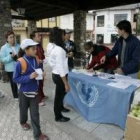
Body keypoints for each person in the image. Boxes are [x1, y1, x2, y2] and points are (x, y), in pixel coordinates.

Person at [13, 39, 49, 140]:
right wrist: (29, 77)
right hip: (23, 92)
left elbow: (40, 70)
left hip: (35, 92)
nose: (35, 50)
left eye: (36, 48)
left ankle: (37, 134)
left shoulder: (36, 59)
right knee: (23, 110)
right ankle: (23, 122)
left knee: (35, 114)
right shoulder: (20, 62)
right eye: (33, 48)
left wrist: (42, 73)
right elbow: (15, 79)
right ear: (26, 50)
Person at [47, 27, 70, 122]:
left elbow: (54, 62)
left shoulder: (54, 47)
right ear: (59, 36)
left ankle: (60, 107)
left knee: (60, 94)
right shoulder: (58, 50)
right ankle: (58, 116)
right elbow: (60, 68)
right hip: (60, 76)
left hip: (57, 74)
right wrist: (66, 83)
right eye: (62, 34)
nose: (64, 36)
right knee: (58, 96)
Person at [0, 30, 19, 100]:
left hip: (19, 67)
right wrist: (10, 57)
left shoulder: (18, 46)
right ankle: (15, 95)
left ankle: (20, 92)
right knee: (13, 82)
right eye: (10, 37)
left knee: (20, 81)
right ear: (7, 39)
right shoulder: (3, 48)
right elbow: (2, 59)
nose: (12, 39)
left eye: (13, 37)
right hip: (10, 68)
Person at [30, 31, 48, 106]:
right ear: (33, 38)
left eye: (40, 36)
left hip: (41, 67)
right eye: (38, 36)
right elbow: (31, 57)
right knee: (37, 83)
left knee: (41, 82)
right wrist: (38, 60)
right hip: (35, 68)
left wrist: (44, 59)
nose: (40, 37)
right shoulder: (31, 46)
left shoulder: (39, 45)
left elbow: (42, 54)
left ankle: (42, 95)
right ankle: (38, 99)